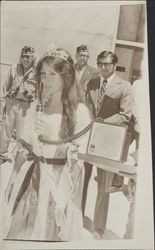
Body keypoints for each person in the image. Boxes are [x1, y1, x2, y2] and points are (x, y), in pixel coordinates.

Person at [4, 48, 91, 241]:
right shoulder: (36, 105)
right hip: (31, 180)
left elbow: (80, 154)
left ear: (66, 76)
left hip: (58, 184)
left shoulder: (80, 112)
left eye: (53, 74)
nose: (47, 79)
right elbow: (24, 147)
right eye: (43, 74)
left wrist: (56, 138)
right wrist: (13, 178)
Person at [85, 50, 134, 239]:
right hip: (87, 137)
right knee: (81, 178)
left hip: (109, 141)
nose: (103, 67)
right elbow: (86, 106)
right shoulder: (91, 82)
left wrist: (102, 122)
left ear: (114, 65)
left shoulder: (124, 86)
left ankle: (98, 227)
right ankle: (77, 217)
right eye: (100, 63)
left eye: (106, 64)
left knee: (103, 186)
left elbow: (125, 115)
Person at [1, 46, 37, 154]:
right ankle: (2, 154)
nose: (25, 59)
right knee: (6, 131)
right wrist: (5, 101)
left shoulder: (36, 73)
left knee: (22, 134)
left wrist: (31, 95)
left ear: (33, 58)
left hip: (25, 106)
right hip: (11, 103)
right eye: (23, 56)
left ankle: (19, 156)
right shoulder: (14, 68)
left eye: (28, 57)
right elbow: (5, 87)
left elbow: (39, 92)